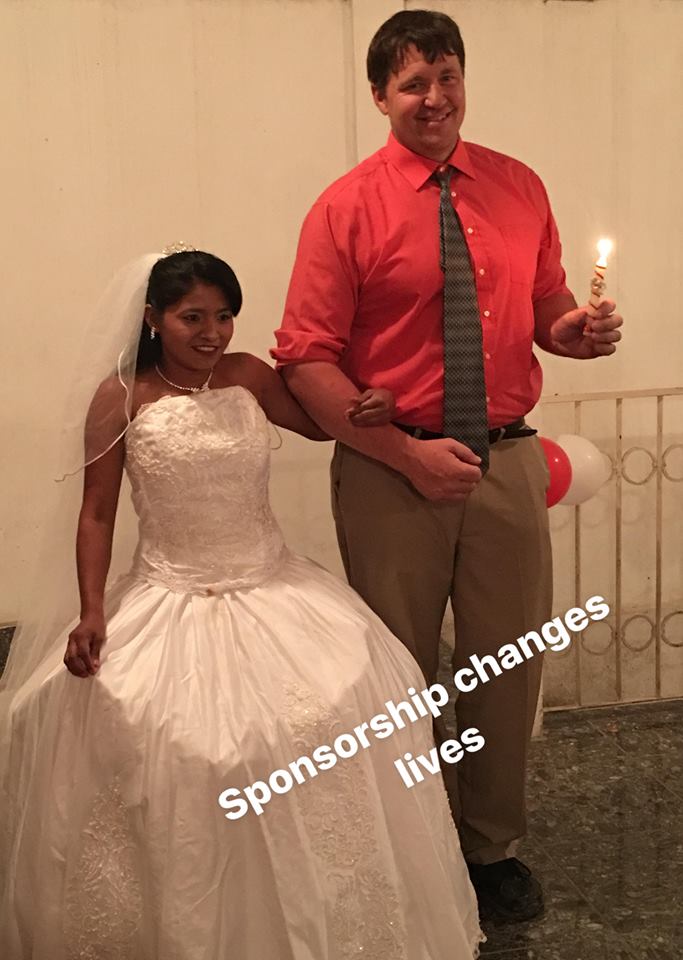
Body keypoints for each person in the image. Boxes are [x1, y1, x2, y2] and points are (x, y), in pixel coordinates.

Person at [0, 249, 484, 959]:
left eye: (224, 316)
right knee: (179, 751)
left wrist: (369, 403)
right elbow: (97, 512)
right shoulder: (122, 398)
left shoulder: (249, 376)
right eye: (192, 317)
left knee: (350, 707)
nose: (212, 332)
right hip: (169, 593)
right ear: (152, 319)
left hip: (276, 587)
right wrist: (91, 612)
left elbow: (325, 424)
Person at [273, 9, 623, 923]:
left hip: (505, 460)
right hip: (391, 467)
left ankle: (487, 847)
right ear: (381, 97)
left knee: (504, 662)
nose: (435, 96)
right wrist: (404, 454)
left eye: (448, 76)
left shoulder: (517, 186)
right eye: (413, 82)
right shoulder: (344, 207)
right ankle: (408, 835)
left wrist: (571, 334)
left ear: (464, 81)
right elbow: (305, 359)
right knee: (397, 671)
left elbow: (543, 305)